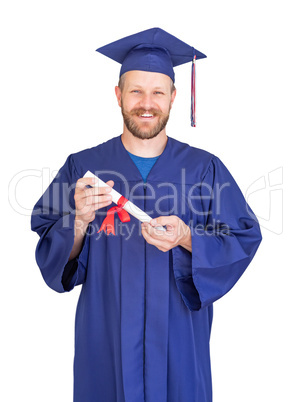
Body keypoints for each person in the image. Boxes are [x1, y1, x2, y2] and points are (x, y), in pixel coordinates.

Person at [31, 28, 262, 402]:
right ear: (119, 95)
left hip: (179, 343)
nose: (146, 102)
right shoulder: (83, 167)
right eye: (136, 90)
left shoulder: (205, 169)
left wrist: (187, 237)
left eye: (157, 92)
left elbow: (243, 237)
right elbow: (48, 244)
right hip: (104, 338)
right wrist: (77, 222)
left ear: (173, 97)